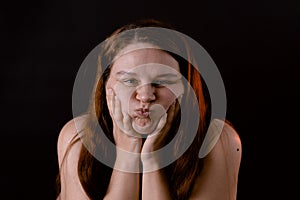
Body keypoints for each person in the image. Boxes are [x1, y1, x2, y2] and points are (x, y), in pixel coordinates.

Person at [56, 19, 242, 200]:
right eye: (130, 81)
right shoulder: (78, 136)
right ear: (106, 86)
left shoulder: (219, 140)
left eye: (163, 82)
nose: (145, 96)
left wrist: (153, 160)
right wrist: (126, 154)